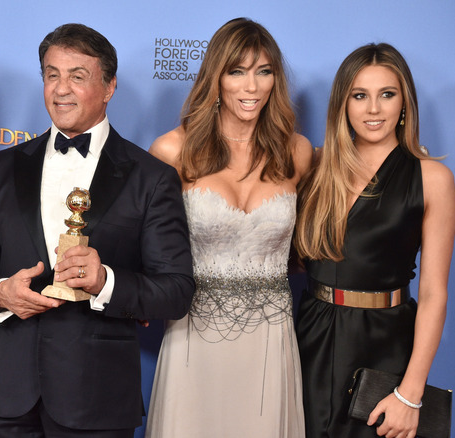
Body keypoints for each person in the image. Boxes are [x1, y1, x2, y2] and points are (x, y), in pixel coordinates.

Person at [0, 23, 194, 437]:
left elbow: (176, 290)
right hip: (3, 395)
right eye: (51, 74)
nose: (61, 89)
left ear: (109, 86)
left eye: (77, 76)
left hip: (96, 398)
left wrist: (105, 282)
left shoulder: (150, 178)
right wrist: (0, 294)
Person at [144, 18, 312, 437]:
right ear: (214, 77)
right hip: (192, 335)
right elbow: (146, 245)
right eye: (237, 71)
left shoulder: (298, 152)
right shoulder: (172, 150)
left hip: (270, 338)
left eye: (263, 71)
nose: (251, 87)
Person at [294, 43, 455, 438]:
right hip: (310, 333)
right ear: (343, 104)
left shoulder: (431, 179)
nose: (373, 109)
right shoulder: (314, 167)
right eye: (359, 96)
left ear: (405, 103)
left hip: (385, 343)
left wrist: (410, 394)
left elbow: (434, 294)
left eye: (387, 94)